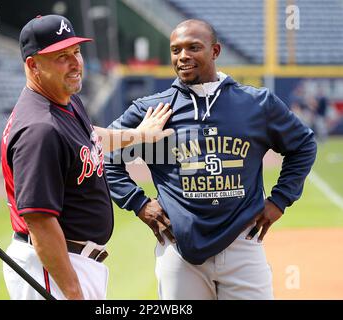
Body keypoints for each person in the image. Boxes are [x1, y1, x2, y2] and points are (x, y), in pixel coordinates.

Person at [105, 19, 317, 300]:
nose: (183, 57)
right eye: (176, 50)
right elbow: (106, 156)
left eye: (194, 47)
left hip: (243, 243)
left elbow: (303, 144)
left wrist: (280, 199)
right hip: (179, 248)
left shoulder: (256, 104)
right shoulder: (152, 110)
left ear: (215, 51)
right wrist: (138, 203)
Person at [1, 14, 172, 300]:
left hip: (73, 262)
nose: (75, 63)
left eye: (76, 52)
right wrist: (72, 292)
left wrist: (138, 135)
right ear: (33, 65)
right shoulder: (39, 129)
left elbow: (88, 137)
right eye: (61, 56)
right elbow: (40, 221)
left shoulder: (63, 101)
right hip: (52, 268)